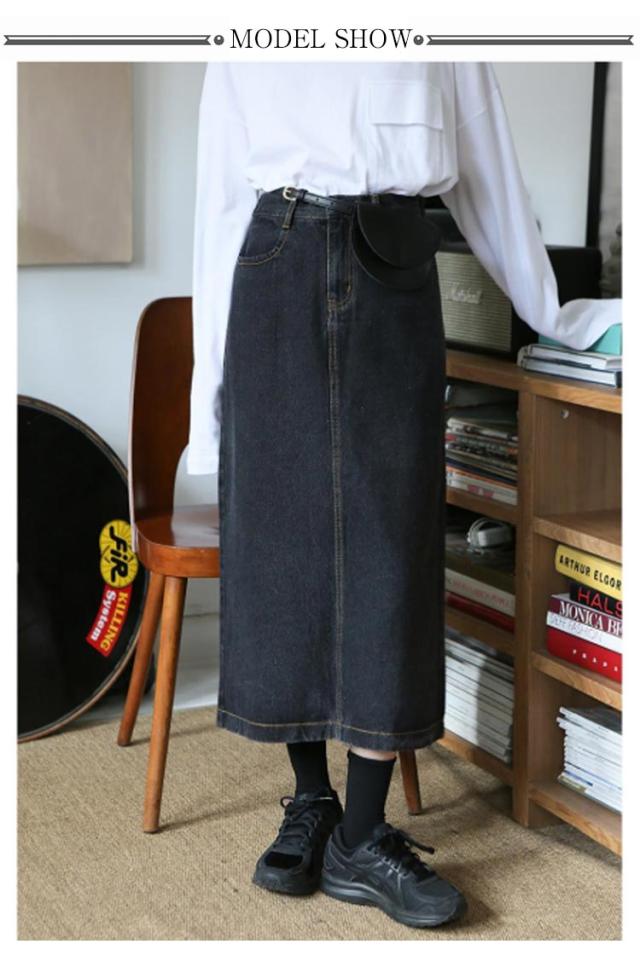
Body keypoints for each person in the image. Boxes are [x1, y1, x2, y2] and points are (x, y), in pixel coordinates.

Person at [186, 62, 621, 929]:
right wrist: (209, 404)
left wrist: (555, 313)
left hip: (394, 265)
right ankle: (311, 799)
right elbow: (218, 202)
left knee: (392, 547)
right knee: (284, 536)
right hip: (274, 256)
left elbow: (489, 173)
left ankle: (361, 832)